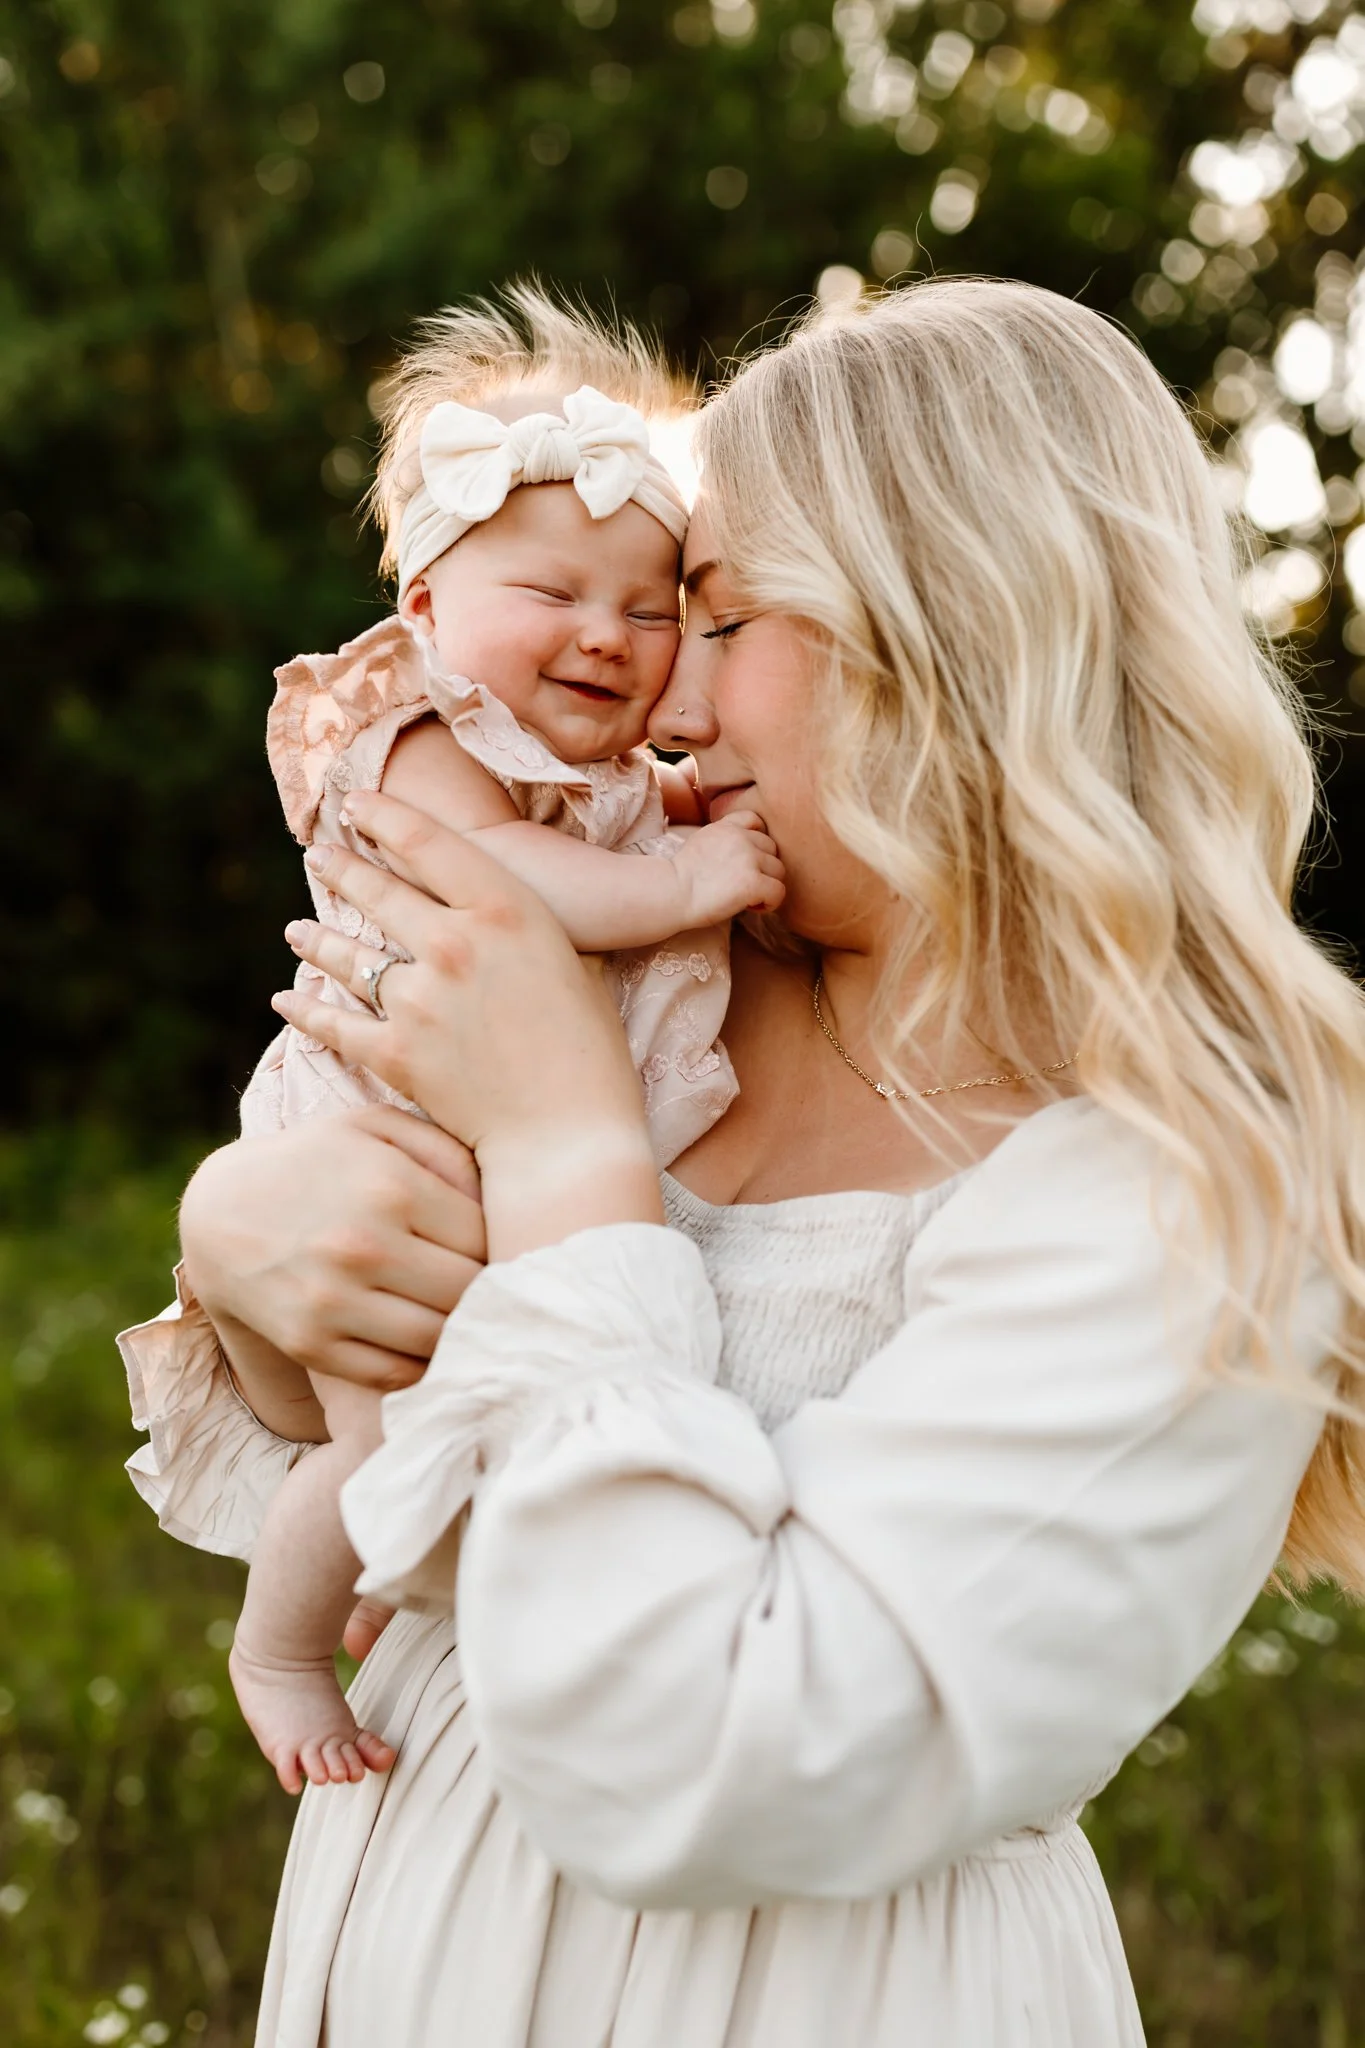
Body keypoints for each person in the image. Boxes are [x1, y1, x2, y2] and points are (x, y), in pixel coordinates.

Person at [120, 277, 1365, 2048]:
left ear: (948, 631)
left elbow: (720, 1755)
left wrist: (563, 1146)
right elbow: (364, 1452)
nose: (661, 695)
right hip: (413, 1931)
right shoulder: (677, 985)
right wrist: (242, 1240)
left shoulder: (1184, 1184)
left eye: (718, 615)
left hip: (819, 1989)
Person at [220, 292, 784, 1796]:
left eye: (652, 604)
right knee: (373, 1434)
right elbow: (512, 894)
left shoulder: (587, 774)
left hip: (477, 1149)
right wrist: (682, 880)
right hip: (378, 1142)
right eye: (553, 591)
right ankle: (278, 1648)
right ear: (422, 614)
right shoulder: (416, 742)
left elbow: (592, 839)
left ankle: (374, 1579)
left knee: (459, 1405)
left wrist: (664, 826)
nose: (607, 634)